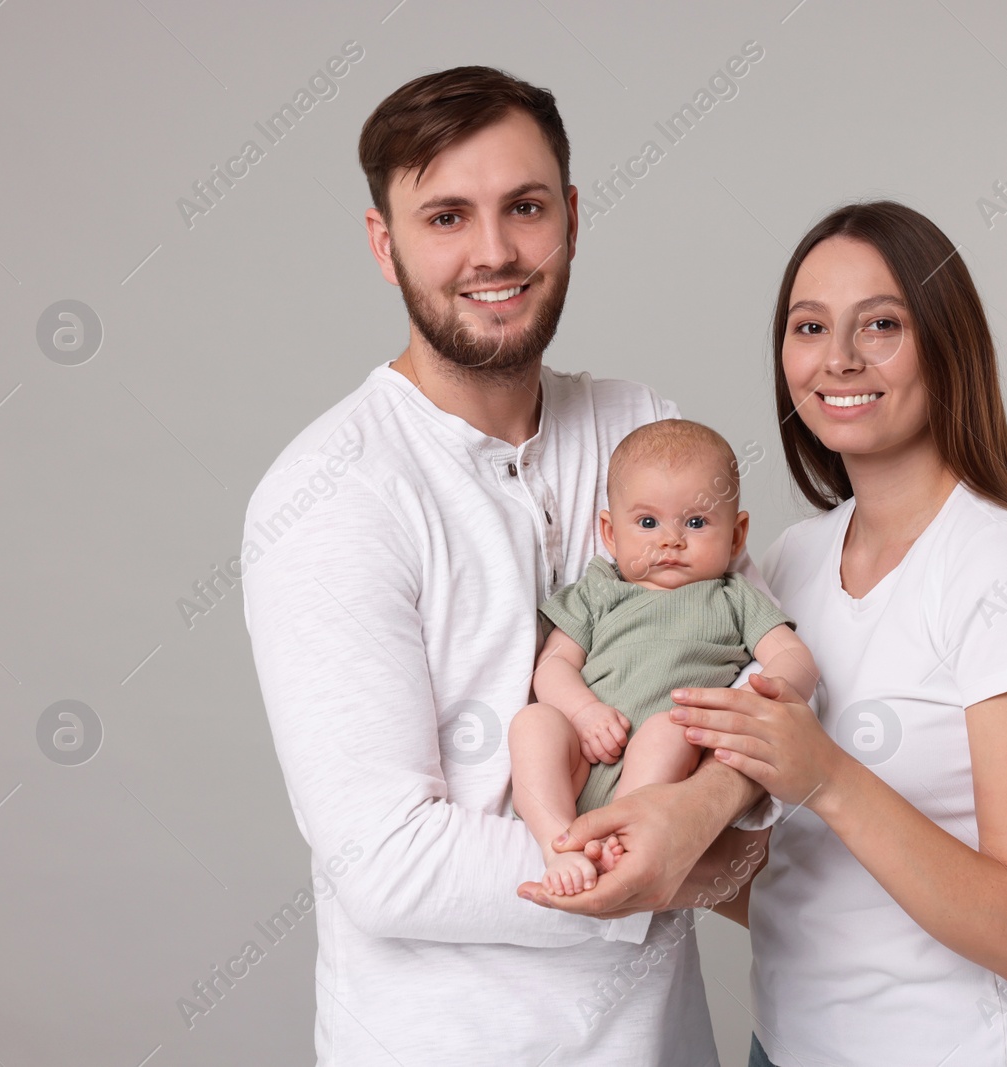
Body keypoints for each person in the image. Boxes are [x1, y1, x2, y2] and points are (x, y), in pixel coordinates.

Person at [241, 66, 785, 1066]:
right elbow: (388, 860)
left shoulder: (643, 431)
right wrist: (660, 865)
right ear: (383, 243)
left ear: (570, 218)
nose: (492, 251)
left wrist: (700, 811)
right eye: (445, 215)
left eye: (523, 208)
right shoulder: (329, 494)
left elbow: (769, 708)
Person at [631, 201, 1007, 1066]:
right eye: (810, 326)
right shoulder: (787, 564)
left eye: (881, 324)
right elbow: (799, 881)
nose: (839, 357)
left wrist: (829, 776)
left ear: (945, 344)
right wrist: (676, 853)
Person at [510, 419, 819, 897]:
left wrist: (753, 704)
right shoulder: (599, 590)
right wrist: (583, 712)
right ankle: (560, 845)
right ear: (611, 535)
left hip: (661, 774)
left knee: (670, 725)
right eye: (648, 523)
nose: (671, 540)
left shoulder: (732, 597)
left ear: (736, 537)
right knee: (532, 723)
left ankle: (627, 832)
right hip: (581, 757)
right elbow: (552, 666)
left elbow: (796, 662)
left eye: (696, 523)